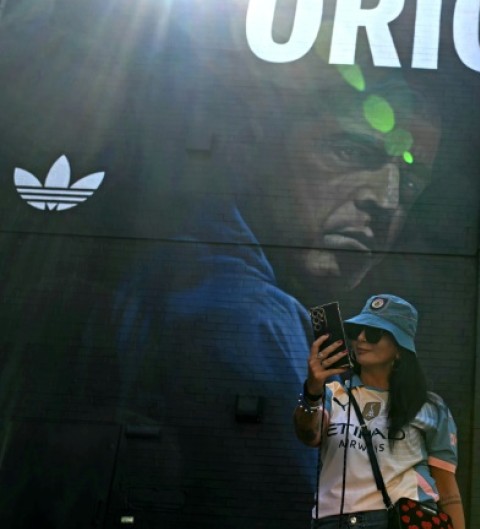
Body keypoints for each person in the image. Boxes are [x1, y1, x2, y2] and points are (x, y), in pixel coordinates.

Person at [107, 59, 443, 521]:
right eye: (350, 152)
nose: (386, 201)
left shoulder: (191, 268)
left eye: (408, 181)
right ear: (257, 145)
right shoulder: (256, 318)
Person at [294, 294, 465, 529]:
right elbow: (307, 434)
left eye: (374, 333)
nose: (361, 339)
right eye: (357, 331)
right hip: (333, 522)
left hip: (399, 520)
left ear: (399, 349)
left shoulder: (429, 407)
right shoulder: (333, 394)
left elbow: (447, 490)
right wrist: (312, 392)